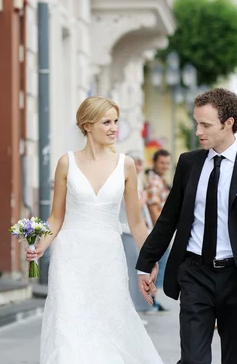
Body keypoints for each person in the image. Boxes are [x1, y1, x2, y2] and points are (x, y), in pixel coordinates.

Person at [136, 87, 237, 364]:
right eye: (196, 123)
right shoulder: (189, 163)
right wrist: (146, 263)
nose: (198, 131)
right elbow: (169, 218)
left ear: (228, 123)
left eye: (205, 124)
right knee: (192, 360)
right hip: (195, 274)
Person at [26, 95, 163, 364]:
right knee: (68, 331)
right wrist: (41, 244)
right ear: (87, 126)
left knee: (109, 329)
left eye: (116, 121)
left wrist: (150, 260)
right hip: (70, 258)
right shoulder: (67, 162)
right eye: (107, 122)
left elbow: (136, 222)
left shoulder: (126, 165)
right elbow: (56, 217)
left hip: (107, 257)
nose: (114, 128)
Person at [120, 150, 154, 317]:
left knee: (138, 271)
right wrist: (143, 199)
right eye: (137, 163)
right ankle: (133, 310)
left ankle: (139, 309)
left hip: (139, 230)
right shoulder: (126, 179)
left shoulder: (139, 180)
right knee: (133, 272)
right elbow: (130, 209)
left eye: (140, 163)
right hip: (127, 230)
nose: (139, 167)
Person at [144, 148, 172, 313]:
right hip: (157, 231)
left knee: (158, 266)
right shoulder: (154, 182)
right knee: (155, 267)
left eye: (167, 163)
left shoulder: (159, 180)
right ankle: (150, 301)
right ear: (154, 162)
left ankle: (153, 300)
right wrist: (161, 232)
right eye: (162, 162)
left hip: (159, 229)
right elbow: (153, 208)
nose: (165, 166)